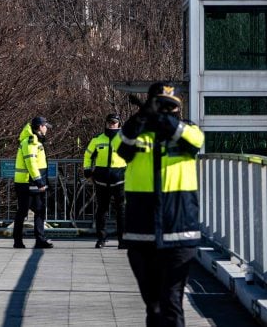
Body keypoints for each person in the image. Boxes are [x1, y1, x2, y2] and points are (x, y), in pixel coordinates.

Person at [117, 82, 204, 327]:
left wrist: (164, 120)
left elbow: (196, 141)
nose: (166, 111)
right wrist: (141, 116)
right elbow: (121, 146)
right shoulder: (137, 131)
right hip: (141, 231)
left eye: (171, 107)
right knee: (153, 305)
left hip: (179, 231)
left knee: (171, 300)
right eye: (160, 106)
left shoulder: (188, 129)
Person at [82, 113, 127, 248]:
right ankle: (101, 239)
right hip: (102, 180)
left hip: (120, 180)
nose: (111, 124)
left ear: (119, 123)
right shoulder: (97, 139)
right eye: (109, 122)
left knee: (122, 210)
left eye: (114, 122)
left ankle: (122, 240)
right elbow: (88, 155)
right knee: (102, 210)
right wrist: (87, 171)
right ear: (106, 123)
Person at [12, 115, 53, 249]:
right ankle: (18, 241)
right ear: (40, 127)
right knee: (23, 212)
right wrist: (39, 181)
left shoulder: (35, 141)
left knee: (39, 210)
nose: (47, 129)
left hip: (31, 182)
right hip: (27, 183)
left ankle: (39, 240)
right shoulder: (30, 142)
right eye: (45, 126)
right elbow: (31, 163)